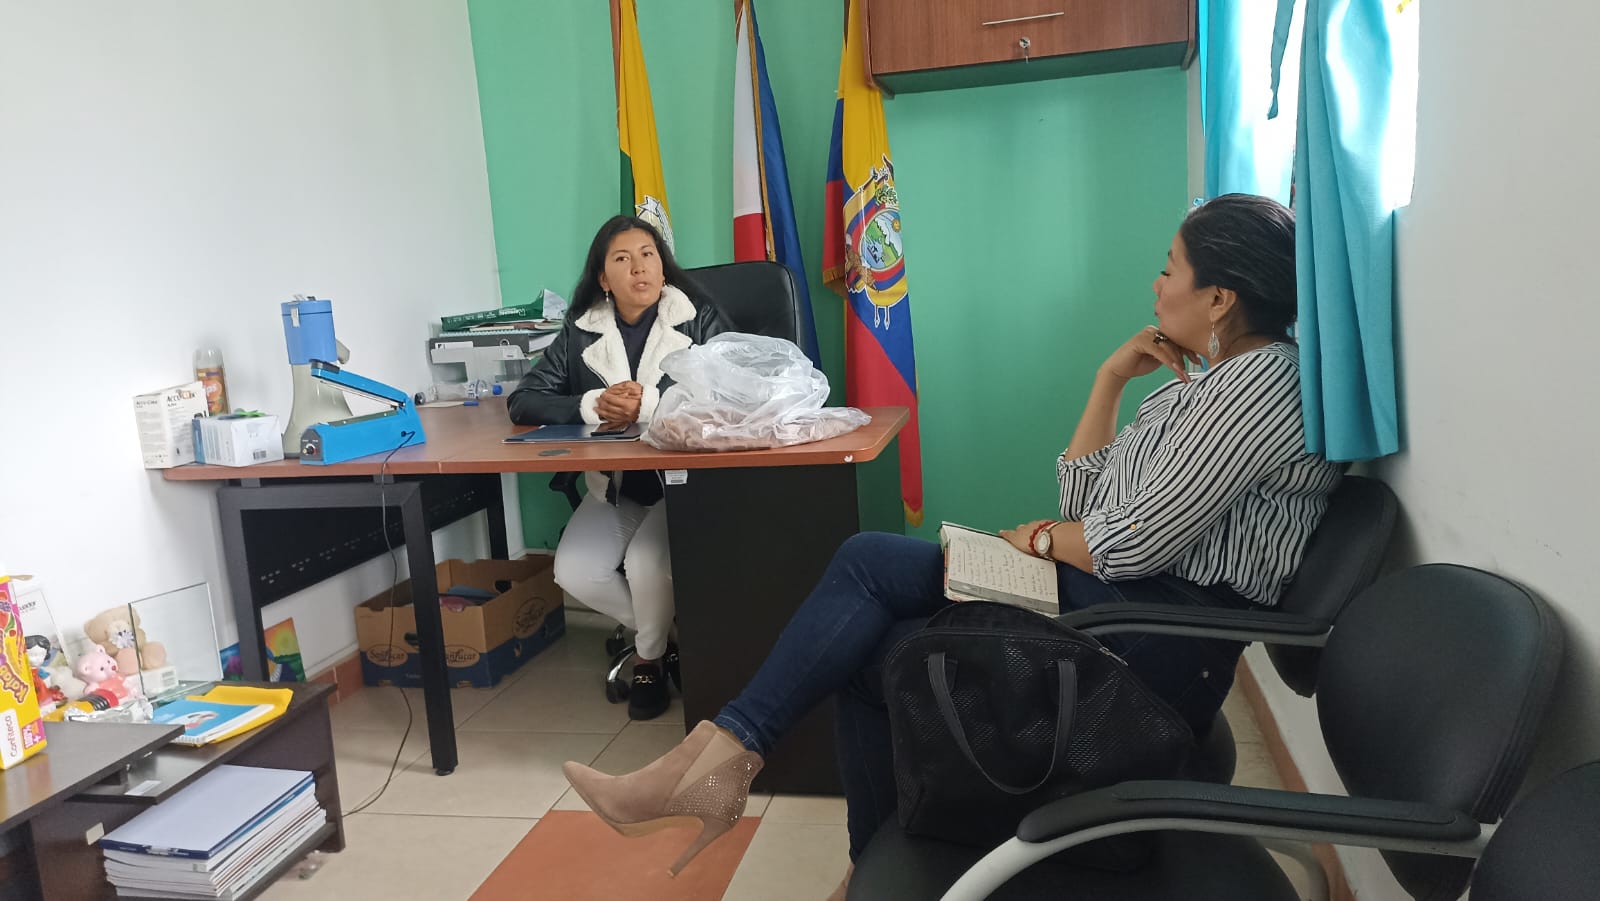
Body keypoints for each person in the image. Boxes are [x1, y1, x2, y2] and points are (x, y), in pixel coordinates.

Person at [560, 194, 1343, 892]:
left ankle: (719, 767)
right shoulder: (1203, 384)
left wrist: (1043, 540)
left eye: (1169, 269)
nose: (1156, 284)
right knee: (866, 643)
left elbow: (1126, 541)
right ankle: (857, 859)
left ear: (1219, 296)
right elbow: (1088, 502)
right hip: (1114, 601)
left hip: (1150, 638)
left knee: (868, 564)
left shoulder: (1262, 383)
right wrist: (1109, 380)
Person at [508, 215, 729, 721]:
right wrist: (591, 405)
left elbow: (728, 391)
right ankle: (673, 642)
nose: (638, 268)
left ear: (663, 267)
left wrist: (648, 403)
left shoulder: (698, 317)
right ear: (604, 278)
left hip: (683, 486)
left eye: (648, 255)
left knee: (646, 563)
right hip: (617, 486)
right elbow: (523, 400)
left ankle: (648, 661)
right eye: (623, 259)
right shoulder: (581, 329)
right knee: (573, 570)